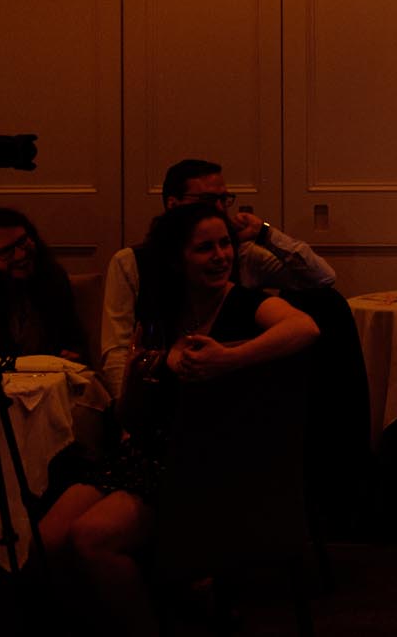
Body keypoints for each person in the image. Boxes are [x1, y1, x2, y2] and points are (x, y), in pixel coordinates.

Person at [41, 199, 320, 637]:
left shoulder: (245, 304)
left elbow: (305, 328)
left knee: (91, 538)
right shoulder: (161, 316)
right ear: (177, 259)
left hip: (212, 466)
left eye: (225, 244)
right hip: (150, 452)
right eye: (204, 248)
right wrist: (135, 380)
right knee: (49, 537)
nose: (221, 257)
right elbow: (130, 415)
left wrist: (229, 357)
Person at [98, 158, 334, 395]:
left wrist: (265, 232)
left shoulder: (240, 256)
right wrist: (128, 408)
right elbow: (118, 350)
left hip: (234, 395)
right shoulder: (132, 262)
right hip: (162, 398)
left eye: (224, 199)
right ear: (173, 204)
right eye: (208, 200)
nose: (220, 208)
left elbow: (321, 279)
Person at [0, 206, 89, 366]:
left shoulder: (52, 279)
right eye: (7, 251)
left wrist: (74, 355)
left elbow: (74, 339)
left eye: (23, 242)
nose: (21, 255)